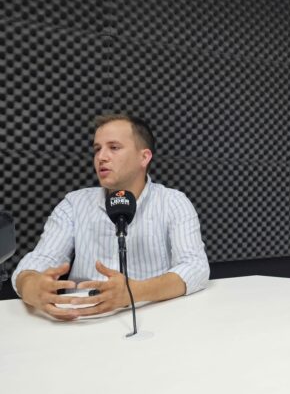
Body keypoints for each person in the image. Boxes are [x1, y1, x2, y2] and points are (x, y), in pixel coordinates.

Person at [12, 114, 210, 320]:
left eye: (114, 147)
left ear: (144, 157)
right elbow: (41, 260)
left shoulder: (173, 202)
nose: (101, 157)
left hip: (153, 315)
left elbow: (195, 267)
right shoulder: (73, 204)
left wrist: (135, 291)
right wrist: (31, 285)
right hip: (81, 318)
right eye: (97, 149)